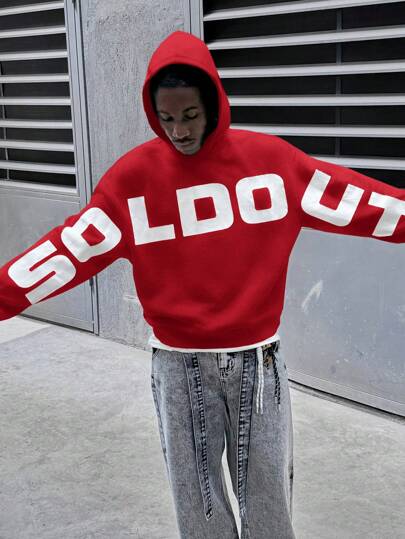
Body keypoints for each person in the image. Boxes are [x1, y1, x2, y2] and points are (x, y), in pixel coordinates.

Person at [0, 29, 404, 539]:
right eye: (166, 119)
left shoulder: (272, 165)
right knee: (199, 509)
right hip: (178, 364)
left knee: (268, 505)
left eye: (190, 115)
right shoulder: (132, 181)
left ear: (212, 104)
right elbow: (65, 252)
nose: (179, 131)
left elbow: (363, 202)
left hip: (258, 362)